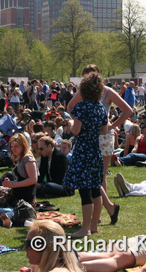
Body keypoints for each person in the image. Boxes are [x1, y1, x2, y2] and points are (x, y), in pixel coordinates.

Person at [62, 71, 108, 237]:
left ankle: (85, 229)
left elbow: (76, 130)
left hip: (83, 151)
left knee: (84, 190)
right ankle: (94, 226)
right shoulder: (101, 108)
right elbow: (104, 130)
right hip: (95, 151)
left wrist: (74, 122)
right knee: (96, 188)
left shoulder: (81, 107)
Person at [0, 133, 38, 205]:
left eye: (16, 146)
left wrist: (14, 184)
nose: (13, 149)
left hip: (25, 199)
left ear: (23, 146)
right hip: (18, 195)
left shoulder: (28, 159)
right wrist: (11, 182)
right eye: (12, 146)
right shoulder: (20, 158)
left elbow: (33, 179)